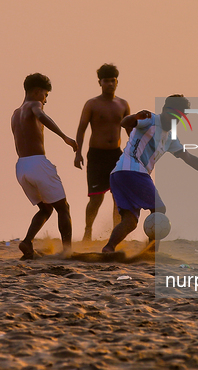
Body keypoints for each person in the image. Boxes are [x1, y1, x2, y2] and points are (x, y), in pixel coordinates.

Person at [102, 95, 198, 253]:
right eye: (174, 114)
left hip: (119, 175)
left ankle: (108, 249)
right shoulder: (150, 119)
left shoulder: (171, 137)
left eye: (181, 117)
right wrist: (134, 117)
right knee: (159, 209)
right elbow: (124, 122)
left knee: (130, 222)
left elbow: (189, 158)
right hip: (132, 171)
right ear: (165, 110)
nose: (176, 120)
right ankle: (151, 255)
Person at [12, 73, 78, 259]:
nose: (46, 100)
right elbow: (41, 115)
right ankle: (68, 251)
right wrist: (64, 137)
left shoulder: (15, 114)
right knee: (63, 208)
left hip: (21, 167)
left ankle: (27, 242)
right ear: (36, 91)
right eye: (45, 95)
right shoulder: (34, 104)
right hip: (37, 163)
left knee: (46, 208)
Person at [74, 64, 131, 241]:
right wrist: (78, 153)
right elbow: (81, 129)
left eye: (112, 81)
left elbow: (131, 132)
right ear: (100, 82)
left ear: (117, 82)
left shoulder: (123, 104)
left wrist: (134, 154)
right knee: (96, 198)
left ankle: (116, 233)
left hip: (116, 155)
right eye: (106, 81)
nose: (110, 84)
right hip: (97, 155)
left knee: (118, 198)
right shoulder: (92, 104)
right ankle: (88, 231)